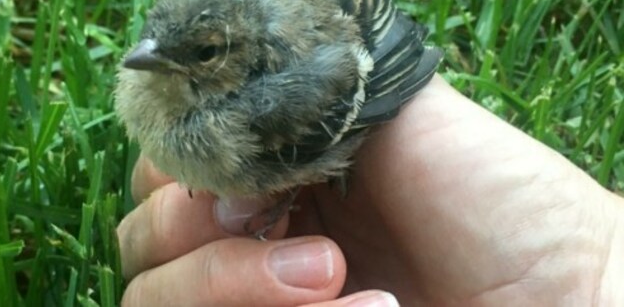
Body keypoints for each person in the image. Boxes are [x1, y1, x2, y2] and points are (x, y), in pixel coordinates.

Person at [117, 75, 624, 306]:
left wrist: (592, 279)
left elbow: (366, 73)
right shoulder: (164, 89)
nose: (148, 60)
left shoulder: (270, 109)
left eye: (203, 53)